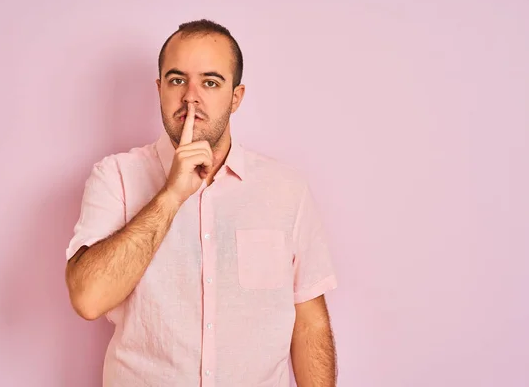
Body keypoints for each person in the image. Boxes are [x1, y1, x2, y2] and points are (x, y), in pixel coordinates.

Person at [65, 19, 338, 387]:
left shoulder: (285, 189)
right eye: (177, 80)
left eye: (210, 82)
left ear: (236, 97)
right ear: (159, 89)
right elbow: (88, 299)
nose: (191, 96)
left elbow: (309, 321)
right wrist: (171, 195)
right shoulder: (115, 178)